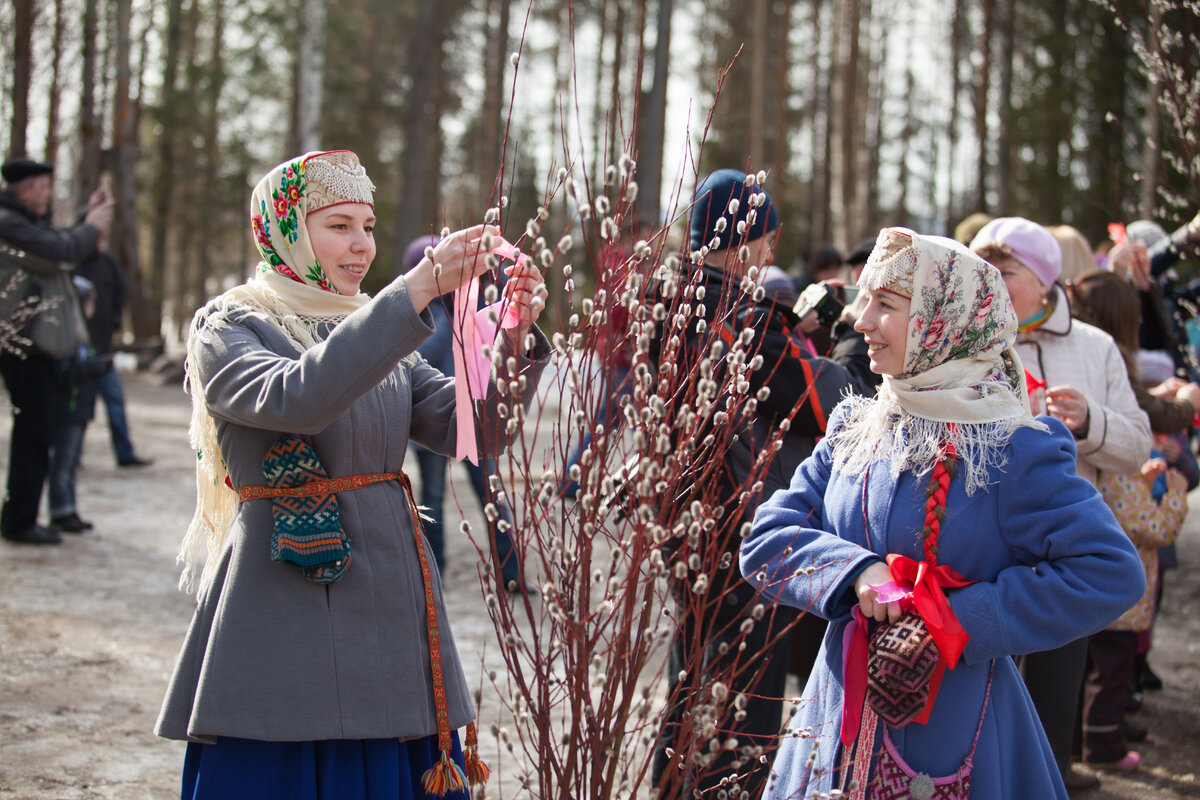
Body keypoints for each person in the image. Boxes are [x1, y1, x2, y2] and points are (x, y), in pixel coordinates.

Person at [155, 150, 549, 799]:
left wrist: (514, 338)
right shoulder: (230, 325)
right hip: (284, 600)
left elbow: (464, 428)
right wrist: (416, 290)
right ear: (285, 231)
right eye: (338, 225)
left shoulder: (372, 326)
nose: (361, 245)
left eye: (368, 226)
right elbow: (298, 399)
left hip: (390, 599)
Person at [740, 227, 1144, 799]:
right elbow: (765, 540)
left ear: (940, 318)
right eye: (863, 298)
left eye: (884, 303)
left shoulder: (1012, 449)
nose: (859, 320)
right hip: (835, 722)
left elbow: (1109, 571)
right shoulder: (856, 427)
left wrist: (955, 621)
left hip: (958, 736)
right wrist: (856, 573)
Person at [650, 169, 867, 798]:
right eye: (766, 240)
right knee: (743, 692)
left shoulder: (669, 301)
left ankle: (676, 787)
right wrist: (849, 336)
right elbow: (830, 401)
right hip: (739, 528)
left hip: (686, 521)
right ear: (745, 239)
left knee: (693, 675)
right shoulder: (737, 317)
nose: (769, 254)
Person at [969, 216, 1151, 792]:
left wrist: (1088, 421)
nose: (990, 283)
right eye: (982, 271)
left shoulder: (1093, 347)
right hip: (981, 549)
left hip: (1062, 553)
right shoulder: (961, 343)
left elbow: (1138, 445)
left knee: (1054, 690)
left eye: (1006, 272)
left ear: (1046, 280)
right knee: (981, 694)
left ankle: (1051, 779)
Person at [401, 235, 525, 590]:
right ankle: (443, 573)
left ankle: (501, 571)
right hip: (447, 425)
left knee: (469, 496)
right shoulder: (433, 318)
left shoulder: (458, 313)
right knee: (447, 497)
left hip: (466, 421)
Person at [0, 156, 112, 545]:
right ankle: (19, 522)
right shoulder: (8, 221)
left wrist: (87, 215)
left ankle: (20, 516)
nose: (48, 194)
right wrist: (93, 225)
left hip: (34, 343)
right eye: (44, 187)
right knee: (33, 432)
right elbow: (60, 251)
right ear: (25, 189)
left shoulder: (22, 223)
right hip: (25, 344)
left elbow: (59, 239)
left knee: (37, 430)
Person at [1082, 454, 1186, 772]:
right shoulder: (1120, 484)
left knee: (1094, 676)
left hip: (1102, 604)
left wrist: (1143, 480)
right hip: (1121, 610)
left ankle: (1081, 743)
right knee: (1111, 679)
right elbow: (1158, 529)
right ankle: (1104, 748)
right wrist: (1176, 495)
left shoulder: (1109, 479)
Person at [74, 218, 152, 467]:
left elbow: (121, 292)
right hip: (79, 350)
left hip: (105, 348)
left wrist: (115, 321)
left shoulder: (108, 263)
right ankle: (72, 458)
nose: (101, 239)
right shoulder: (72, 262)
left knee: (115, 402)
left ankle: (124, 454)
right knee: (80, 408)